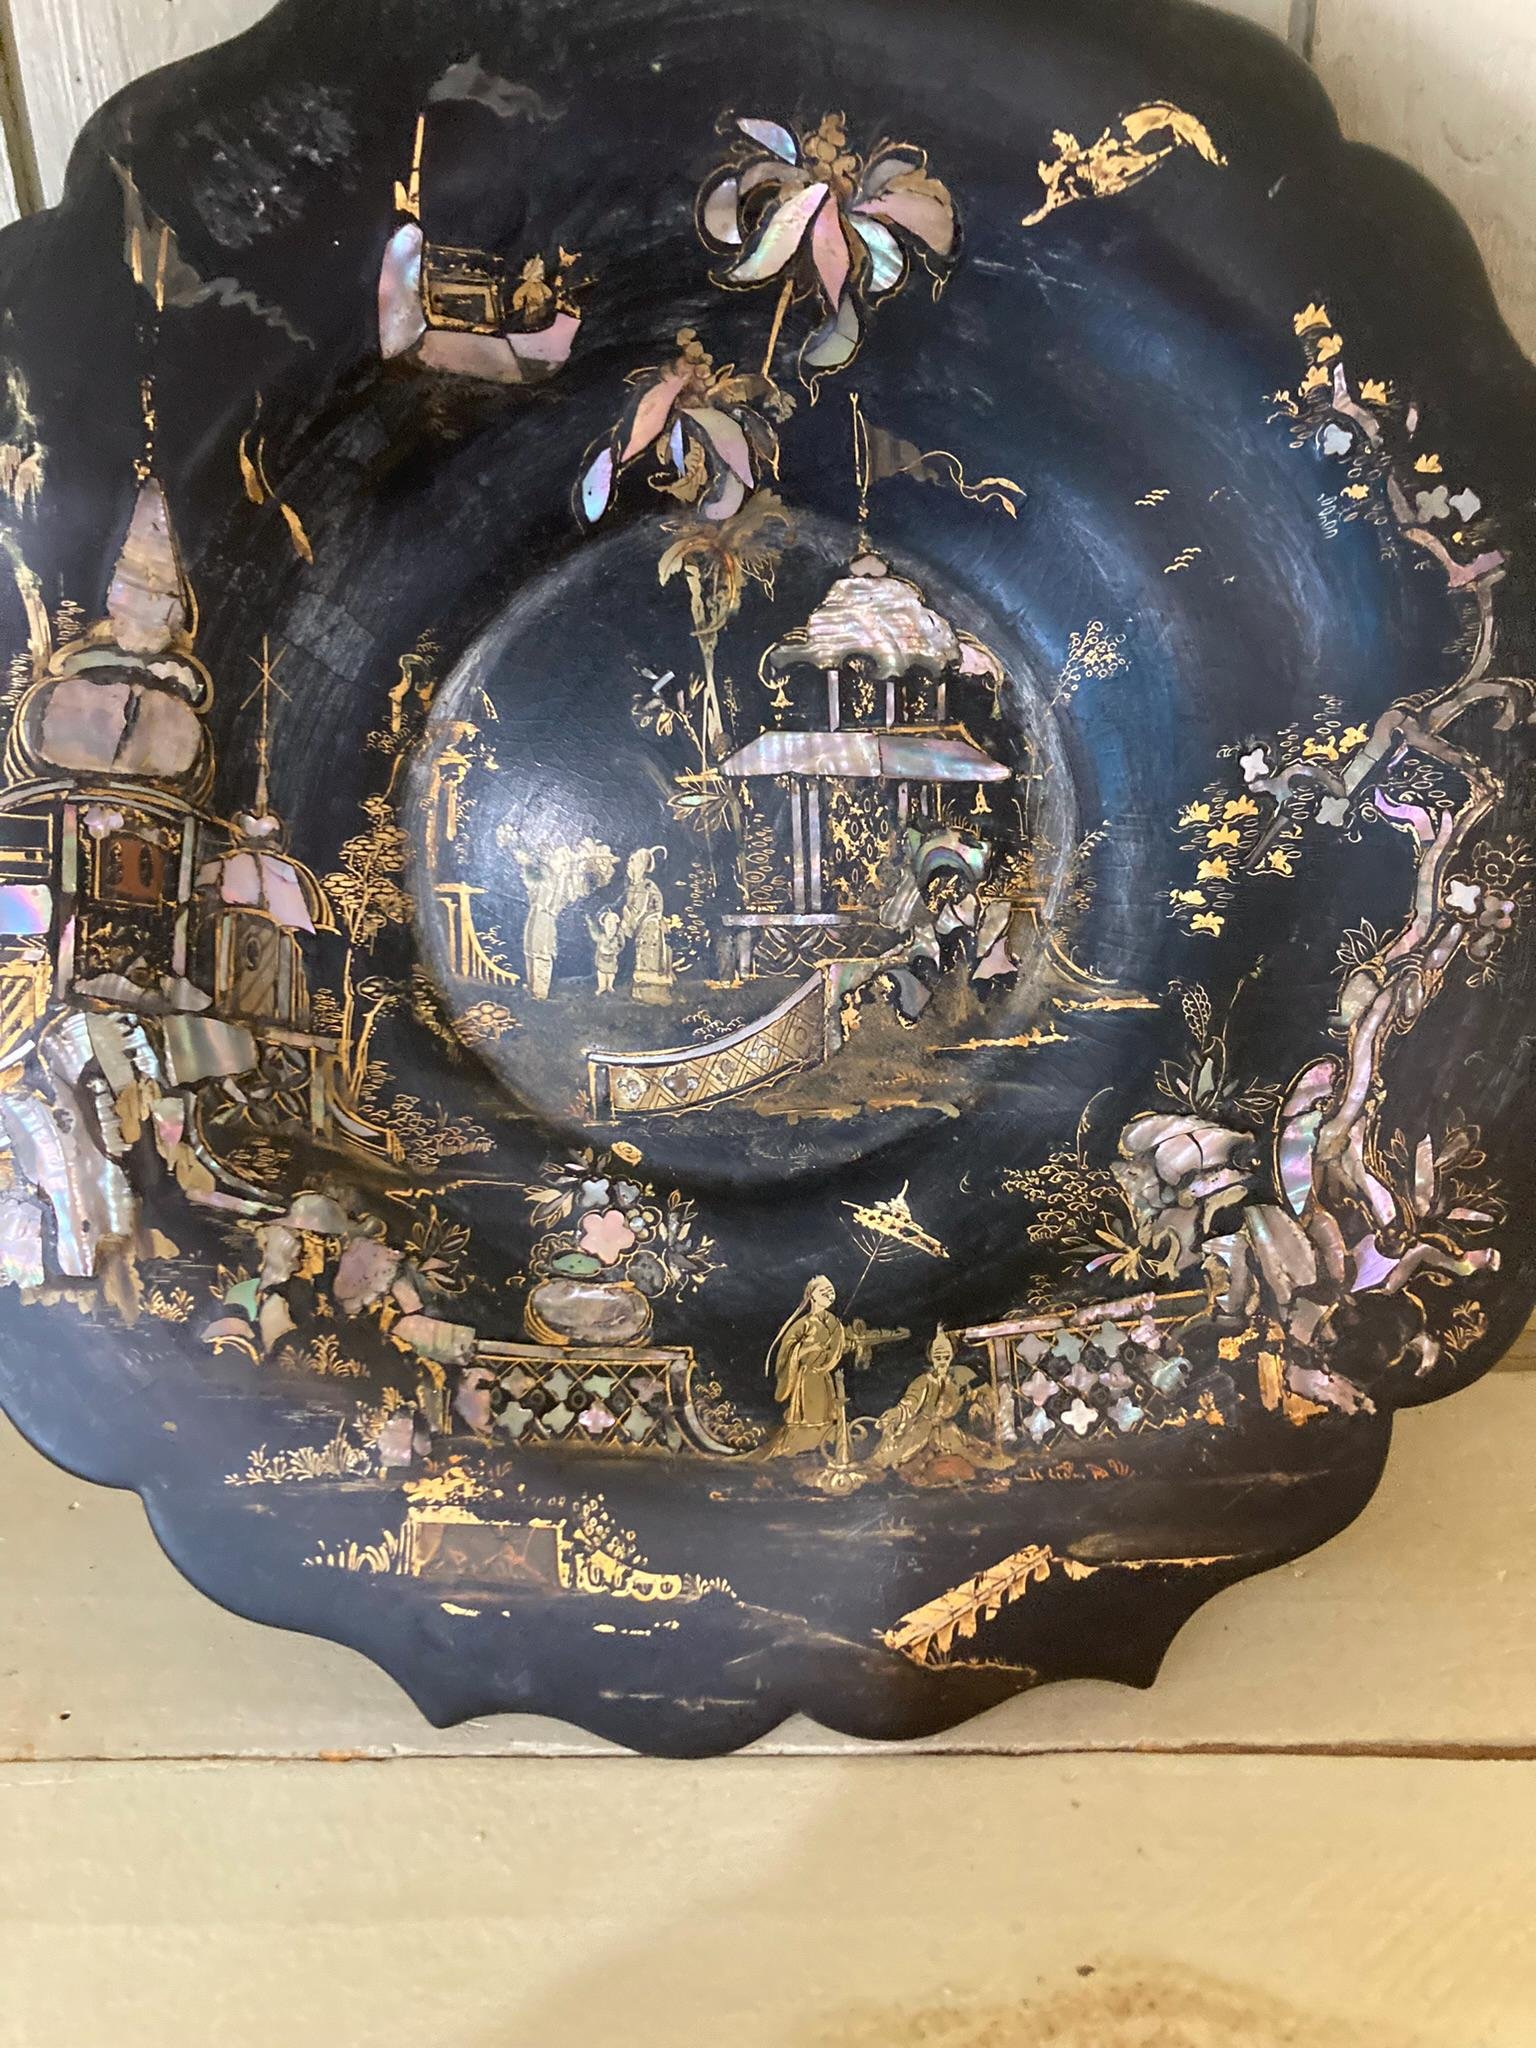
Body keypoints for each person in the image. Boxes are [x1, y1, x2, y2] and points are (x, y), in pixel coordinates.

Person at [759, 1276, 848, 1458]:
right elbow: (787, 1352)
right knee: (808, 1410)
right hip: (805, 1376)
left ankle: (824, 1442)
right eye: (823, 1292)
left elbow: (837, 1348)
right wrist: (809, 1348)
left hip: (823, 1375)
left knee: (825, 1411)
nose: (829, 1295)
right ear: (811, 1295)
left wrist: (829, 1353)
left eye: (831, 1291)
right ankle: (803, 1443)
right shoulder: (803, 1324)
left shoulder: (834, 1323)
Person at [621, 846, 674, 1003]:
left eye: (633, 861)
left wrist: (628, 924)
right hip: (641, 929)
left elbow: (640, 910)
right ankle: (640, 993)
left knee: (649, 960)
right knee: (641, 959)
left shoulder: (646, 886)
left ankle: (652, 995)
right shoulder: (632, 886)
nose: (629, 863)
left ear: (642, 865)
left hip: (650, 929)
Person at [587, 905, 623, 996]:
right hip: (602, 959)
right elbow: (594, 934)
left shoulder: (616, 939)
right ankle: (602, 987)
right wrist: (590, 924)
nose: (611, 928)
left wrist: (621, 934)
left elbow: (621, 945)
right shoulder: (601, 937)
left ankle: (610, 986)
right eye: (609, 924)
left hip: (612, 960)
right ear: (604, 925)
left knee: (611, 973)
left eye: (613, 925)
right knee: (601, 973)